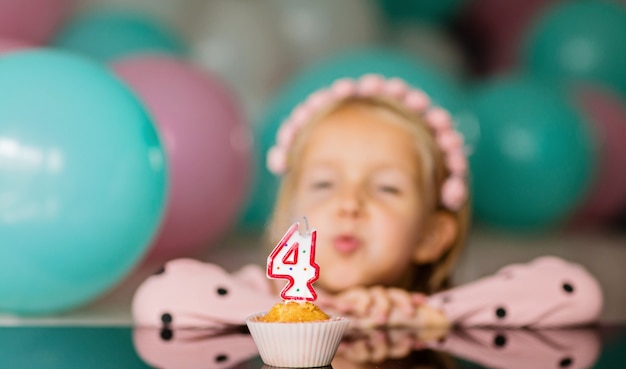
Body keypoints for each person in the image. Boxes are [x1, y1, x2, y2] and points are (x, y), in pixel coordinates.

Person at [132, 74, 603, 330]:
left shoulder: (435, 313)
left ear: (430, 236)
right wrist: (301, 316)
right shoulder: (256, 296)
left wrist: (431, 313)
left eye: (386, 188)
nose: (350, 204)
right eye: (323, 186)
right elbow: (159, 300)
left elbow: (575, 294)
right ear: (284, 227)